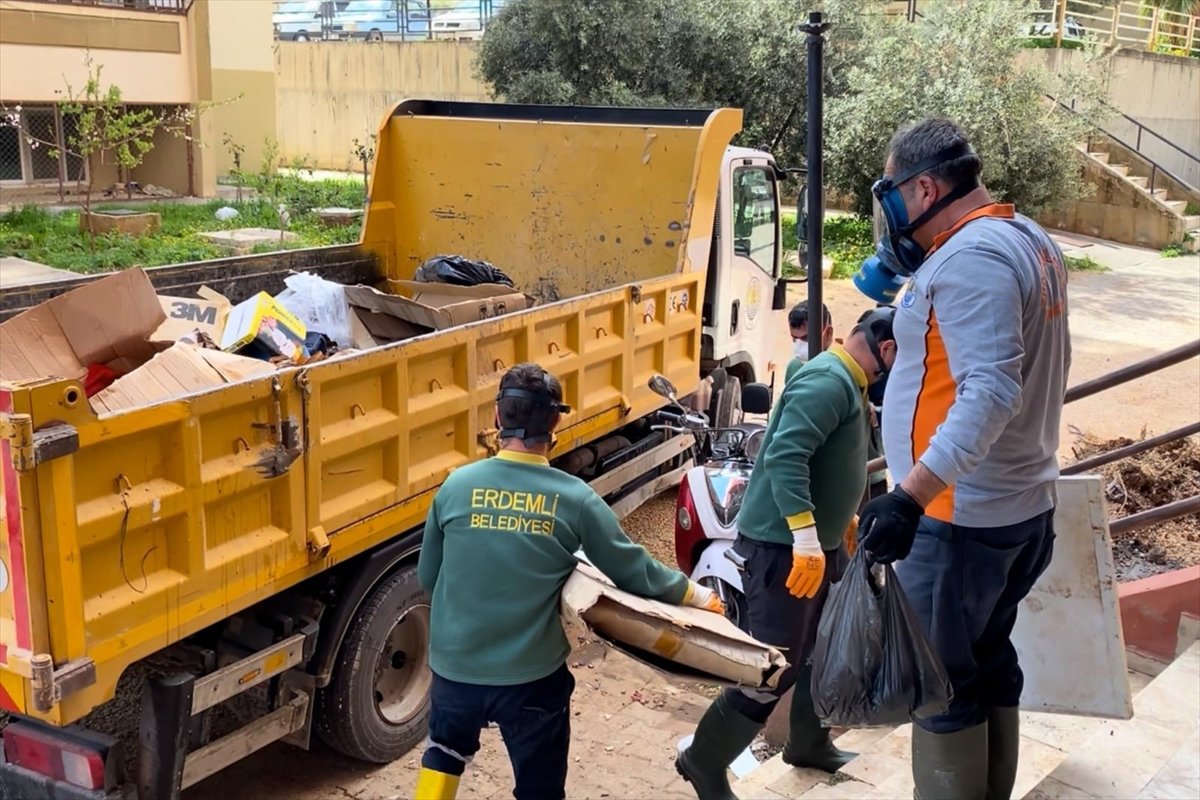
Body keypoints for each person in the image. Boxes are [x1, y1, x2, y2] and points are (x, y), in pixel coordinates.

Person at [856, 118, 1070, 800]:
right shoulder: (1028, 239)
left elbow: (990, 391)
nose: (891, 211)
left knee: (939, 687)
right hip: (1018, 507)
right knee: (987, 663)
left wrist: (909, 496)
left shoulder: (972, 259)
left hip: (957, 520)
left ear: (925, 189)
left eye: (894, 191)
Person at [414, 363, 726, 800]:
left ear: (497, 416)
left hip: (454, 671)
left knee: (444, 752)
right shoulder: (574, 498)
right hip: (530, 678)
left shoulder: (456, 486)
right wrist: (694, 593)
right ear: (555, 423)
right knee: (539, 785)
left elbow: (429, 576)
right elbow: (631, 569)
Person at [677, 308, 898, 800]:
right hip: (783, 548)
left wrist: (841, 519)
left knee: (824, 645)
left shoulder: (851, 381)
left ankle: (808, 742)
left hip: (819, 542)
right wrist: (804, 536)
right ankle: (703, 760)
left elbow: (829, 459)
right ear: (886, 349)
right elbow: (784, 456)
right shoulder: (829, 383)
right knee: (771, 668)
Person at [784, 300, 834, 381]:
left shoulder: (837, 374)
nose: (799, 345)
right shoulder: (795, 368)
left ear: (828, 334)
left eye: (806, 338)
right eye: (795, 338)